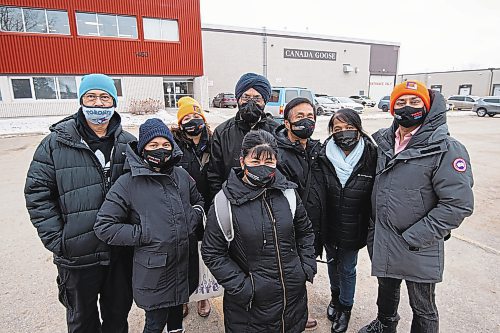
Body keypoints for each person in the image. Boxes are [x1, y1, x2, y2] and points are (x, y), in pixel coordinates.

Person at [359, 80, 474, 333]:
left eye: (414, 101)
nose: (407, 107)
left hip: (417, 244)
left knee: (422, 305)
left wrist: (416, 236)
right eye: (401, 102)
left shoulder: (446, 148)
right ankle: (385, 324)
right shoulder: (385, 144)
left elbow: (458, 204)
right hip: (383, 237)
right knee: (386, 291)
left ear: (427, 106)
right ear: (391, 107)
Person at [24, 73, 135, 333]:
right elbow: (37, 193)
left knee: (118, 317)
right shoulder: (55, 144)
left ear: (114, 102)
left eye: (104, 97)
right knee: (82, 322)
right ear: (81, 100)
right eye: (91, 97)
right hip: (77, 257)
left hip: (119, 253)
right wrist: (59, 240)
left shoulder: (129, 144)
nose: (98, 104)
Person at [94, 118, 205, 333]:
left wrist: (192, 218)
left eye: (165, 145)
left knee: (176, 321)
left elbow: (198, 201)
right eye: (153, 145)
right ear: (142, 148)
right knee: (154, 324)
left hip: (183, 265)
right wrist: (144, 233)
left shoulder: (181, 175)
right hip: (154, 273)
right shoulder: (128, 183)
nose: (160, 150)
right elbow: (104, 226)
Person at [201, 130, 317, 333]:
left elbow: (305, 231)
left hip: (292, 300)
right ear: (242, 160)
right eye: (255, 160)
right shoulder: (223, 202)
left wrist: (305, 267)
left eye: (269, 160)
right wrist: (244, 288)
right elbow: (213, 252)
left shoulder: (288, 193)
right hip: (249, 309)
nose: (263, 166)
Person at [318, 108, 377, 333]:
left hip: (355, 225)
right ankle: (335, 298)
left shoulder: (372, 155)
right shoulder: (322, 154)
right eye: (338, 129)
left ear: (359, 129)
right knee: (332, 263)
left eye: (349, 128)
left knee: (348, 268)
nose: (344, 133)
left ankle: (346, 307)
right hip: (329, 223)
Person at [274, 96, 325, 330]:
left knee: (302, 271)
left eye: (310, 117)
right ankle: (292, 317)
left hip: (313, 226)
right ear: (287, 123)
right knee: (289, 275)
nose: (306, 122)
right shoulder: (279, 154)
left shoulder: (316, 149)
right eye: (300, 117)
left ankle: (297, 314)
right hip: (291, 226)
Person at [207, 72, 279, 198]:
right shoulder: (222, 132)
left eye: (257, 98)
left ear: (265, 101)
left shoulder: (277, 131)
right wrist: (220, 201)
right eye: (246, 97)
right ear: (238, 98)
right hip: (233, 199)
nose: (251, 102)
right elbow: (214, 175)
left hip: (269, 199)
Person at [171, 96, 212, 317]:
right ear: (180, 123)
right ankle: (184, 296)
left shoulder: (214, 142)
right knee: (183, 254)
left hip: (210, 206)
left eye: (196, 116)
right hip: (184, 208)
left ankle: (203, 295)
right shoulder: (174, 145)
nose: (192, 121)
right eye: (187, 117)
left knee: (205, 252)